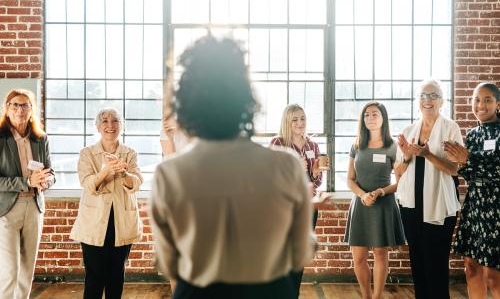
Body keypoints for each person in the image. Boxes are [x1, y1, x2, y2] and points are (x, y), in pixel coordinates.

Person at [151, 36, 316, 299]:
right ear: (247, 99)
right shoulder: (286, 165)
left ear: (186, 105)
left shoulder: (169, 174)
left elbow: (168, 263)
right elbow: (302, 252)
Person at [395, 79, 463, 299]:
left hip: (439, 206)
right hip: (411, 206)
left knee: (436, 263)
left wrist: (428, 155)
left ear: (442, 101)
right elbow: (398, 173)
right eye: (424, 95)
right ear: (418, 101)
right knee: (417, 262)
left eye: (433, 95)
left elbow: (454, 169)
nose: (428, 100)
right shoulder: (409, 130)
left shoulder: (450, 127)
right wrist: (406, 156)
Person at [70, 108, 143, 299]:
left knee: (116, 275)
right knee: (94, 276)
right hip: (93, 222)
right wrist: (105, 171)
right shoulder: (87, 153)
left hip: (122, 222)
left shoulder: (130, 153)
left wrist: (123, 173)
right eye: (104, 121)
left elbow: (137, 183)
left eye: (115, 121)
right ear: (97, 126)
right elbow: (87, 185)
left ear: (122, 125)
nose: (110, 125)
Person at [344, 101, 405, 299]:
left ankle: (377, 297)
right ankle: (366, 296)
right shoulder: (356, 145)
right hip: (361, 205)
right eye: (366, 115)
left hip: (383, 204)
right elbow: (350, 179)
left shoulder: (393, 146)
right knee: (359, 257)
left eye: (375, 114)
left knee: (380, 254)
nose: (370, 118)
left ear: (383, 118)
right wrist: (362, 195)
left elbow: (400, 182)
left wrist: (379, 192)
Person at [444, 82, 500, 299]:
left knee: (493, 276)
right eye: (476, 99)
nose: (480, 105)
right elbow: (469, 173)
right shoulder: (473, 135)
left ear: (497, 104)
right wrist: (462, 163)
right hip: (475, 205)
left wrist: (468, 159)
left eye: (487, 100)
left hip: (495, 209)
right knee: (471, 268)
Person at [269, 103, 330, 297]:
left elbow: (317, 181)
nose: (300, 123)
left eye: (302, 118)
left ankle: (292, 294)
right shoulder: (278, 143)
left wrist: (314, 172)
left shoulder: (313, 145)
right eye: (295, 119)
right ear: (287, 121)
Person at [0, 88, 55, 299]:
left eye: (25, 105)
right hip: (6, 209)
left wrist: (47, 180)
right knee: (10, 272)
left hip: (34, 207)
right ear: (7, 109)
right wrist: (26, 181)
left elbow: (50, 171)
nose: (19, 109)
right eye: (15, 105)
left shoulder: (40, 139)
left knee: (26, 271)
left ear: (32, 110)